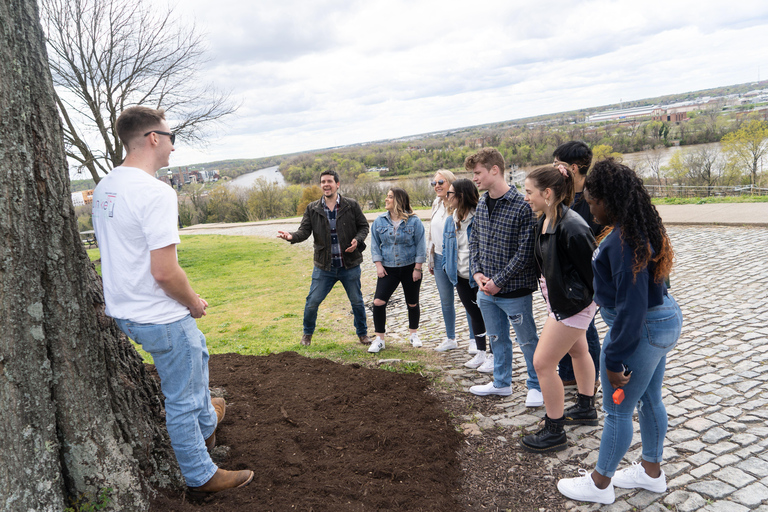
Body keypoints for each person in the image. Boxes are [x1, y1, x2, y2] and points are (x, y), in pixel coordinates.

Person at [92, 106, 253, 496]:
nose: (173, 148)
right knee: (181, 394)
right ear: (152, 138)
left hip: (126, 310)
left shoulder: (106, 186)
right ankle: (201, 475)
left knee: (196, 356)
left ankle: (207, 421)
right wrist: (194, 302)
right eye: (171, 138)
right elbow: (165, 272)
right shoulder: (155, 192)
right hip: (159, 314)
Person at [557, 159, 682, 505]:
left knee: (617, 410)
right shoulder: (636, 227)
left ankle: (600, 483)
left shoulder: (624, 241)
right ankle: (651, 472)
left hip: (640, 329)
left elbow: (631, 305)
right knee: (650, 398)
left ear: (611, 199)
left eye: (594, 201)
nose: (591, 207)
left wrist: (612, 359)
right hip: (662, 320)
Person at [519, 165, 597, 453]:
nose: (525, 197)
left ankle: (555, 431)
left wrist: (573, 304)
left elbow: (594, 274)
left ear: (547, 193)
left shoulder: (572, 225)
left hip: (572, 305)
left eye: (529, 192)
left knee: (542, 363)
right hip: (563, 302)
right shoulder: (548, 218)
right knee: (578, 351)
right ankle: (587, 408)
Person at [466, 148, 542, 407]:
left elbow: (525, 253)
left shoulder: (522, 206)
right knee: (497, 339)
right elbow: (474, 241)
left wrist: (499, 281)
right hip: (485, 291)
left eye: (478, 173)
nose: (474, 178)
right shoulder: (482, 204)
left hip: (514, 292)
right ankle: (501, 383)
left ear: (494, 170)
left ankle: (536, 386)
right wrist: (476, 272)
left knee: (528, 341)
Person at [278, 170, 370, 346]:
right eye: (323, 182)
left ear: (337, 184)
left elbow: (364, 227)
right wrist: (291, 236)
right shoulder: (313, 208)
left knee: (357, 302)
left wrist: (357, 241)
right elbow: (304, 231)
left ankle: (363, 334)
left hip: (349, 265)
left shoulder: (351, 205)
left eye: (329, 181)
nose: (326, 184)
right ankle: (307, 335)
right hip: (324, 267)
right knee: (312, 302)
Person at [552, 141, 602, 388]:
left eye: (557, 164)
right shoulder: (560, 193)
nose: (553, 168)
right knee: (567, 326)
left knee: (586, 328)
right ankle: (569, 374)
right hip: (562, 276)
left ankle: (589, 379)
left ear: (572, 168)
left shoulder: (595, 198)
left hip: (585, 276)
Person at [368, 187, 427, 353]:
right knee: (378, 302)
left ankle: (413, 334)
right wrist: (379, 265)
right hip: (388, 269)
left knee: (412, 302)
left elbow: (421, 246)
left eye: (390, 197)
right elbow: (374, 246)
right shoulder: (379, 221)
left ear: (399, 200)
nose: (386, 199)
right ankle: (380, 339)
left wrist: (417, 268)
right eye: (387, 196)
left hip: (410, 268)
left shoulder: (414, 222)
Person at [441, 179, 489, 369]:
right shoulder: (450, 220)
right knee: (474, 315)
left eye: (450, 194)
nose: (447, 197)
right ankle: (481, 352)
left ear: (460, 196)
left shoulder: (479, 217)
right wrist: (446, 266)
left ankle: (493, 354)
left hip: (477, 276)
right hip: (459, 277)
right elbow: (446, 248)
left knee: (487, 315)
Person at [427, 169, 466, 353]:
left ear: (450, 183)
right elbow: (431, 232)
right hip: (439, 256)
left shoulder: (458, 204)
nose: (436, 186)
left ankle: (476, 339)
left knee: (468, 299)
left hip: (456, 257)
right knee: (446, 301)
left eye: (440, 182)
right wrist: (430, 256)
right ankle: (451, 337)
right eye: (434, 183)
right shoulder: (436, 203)